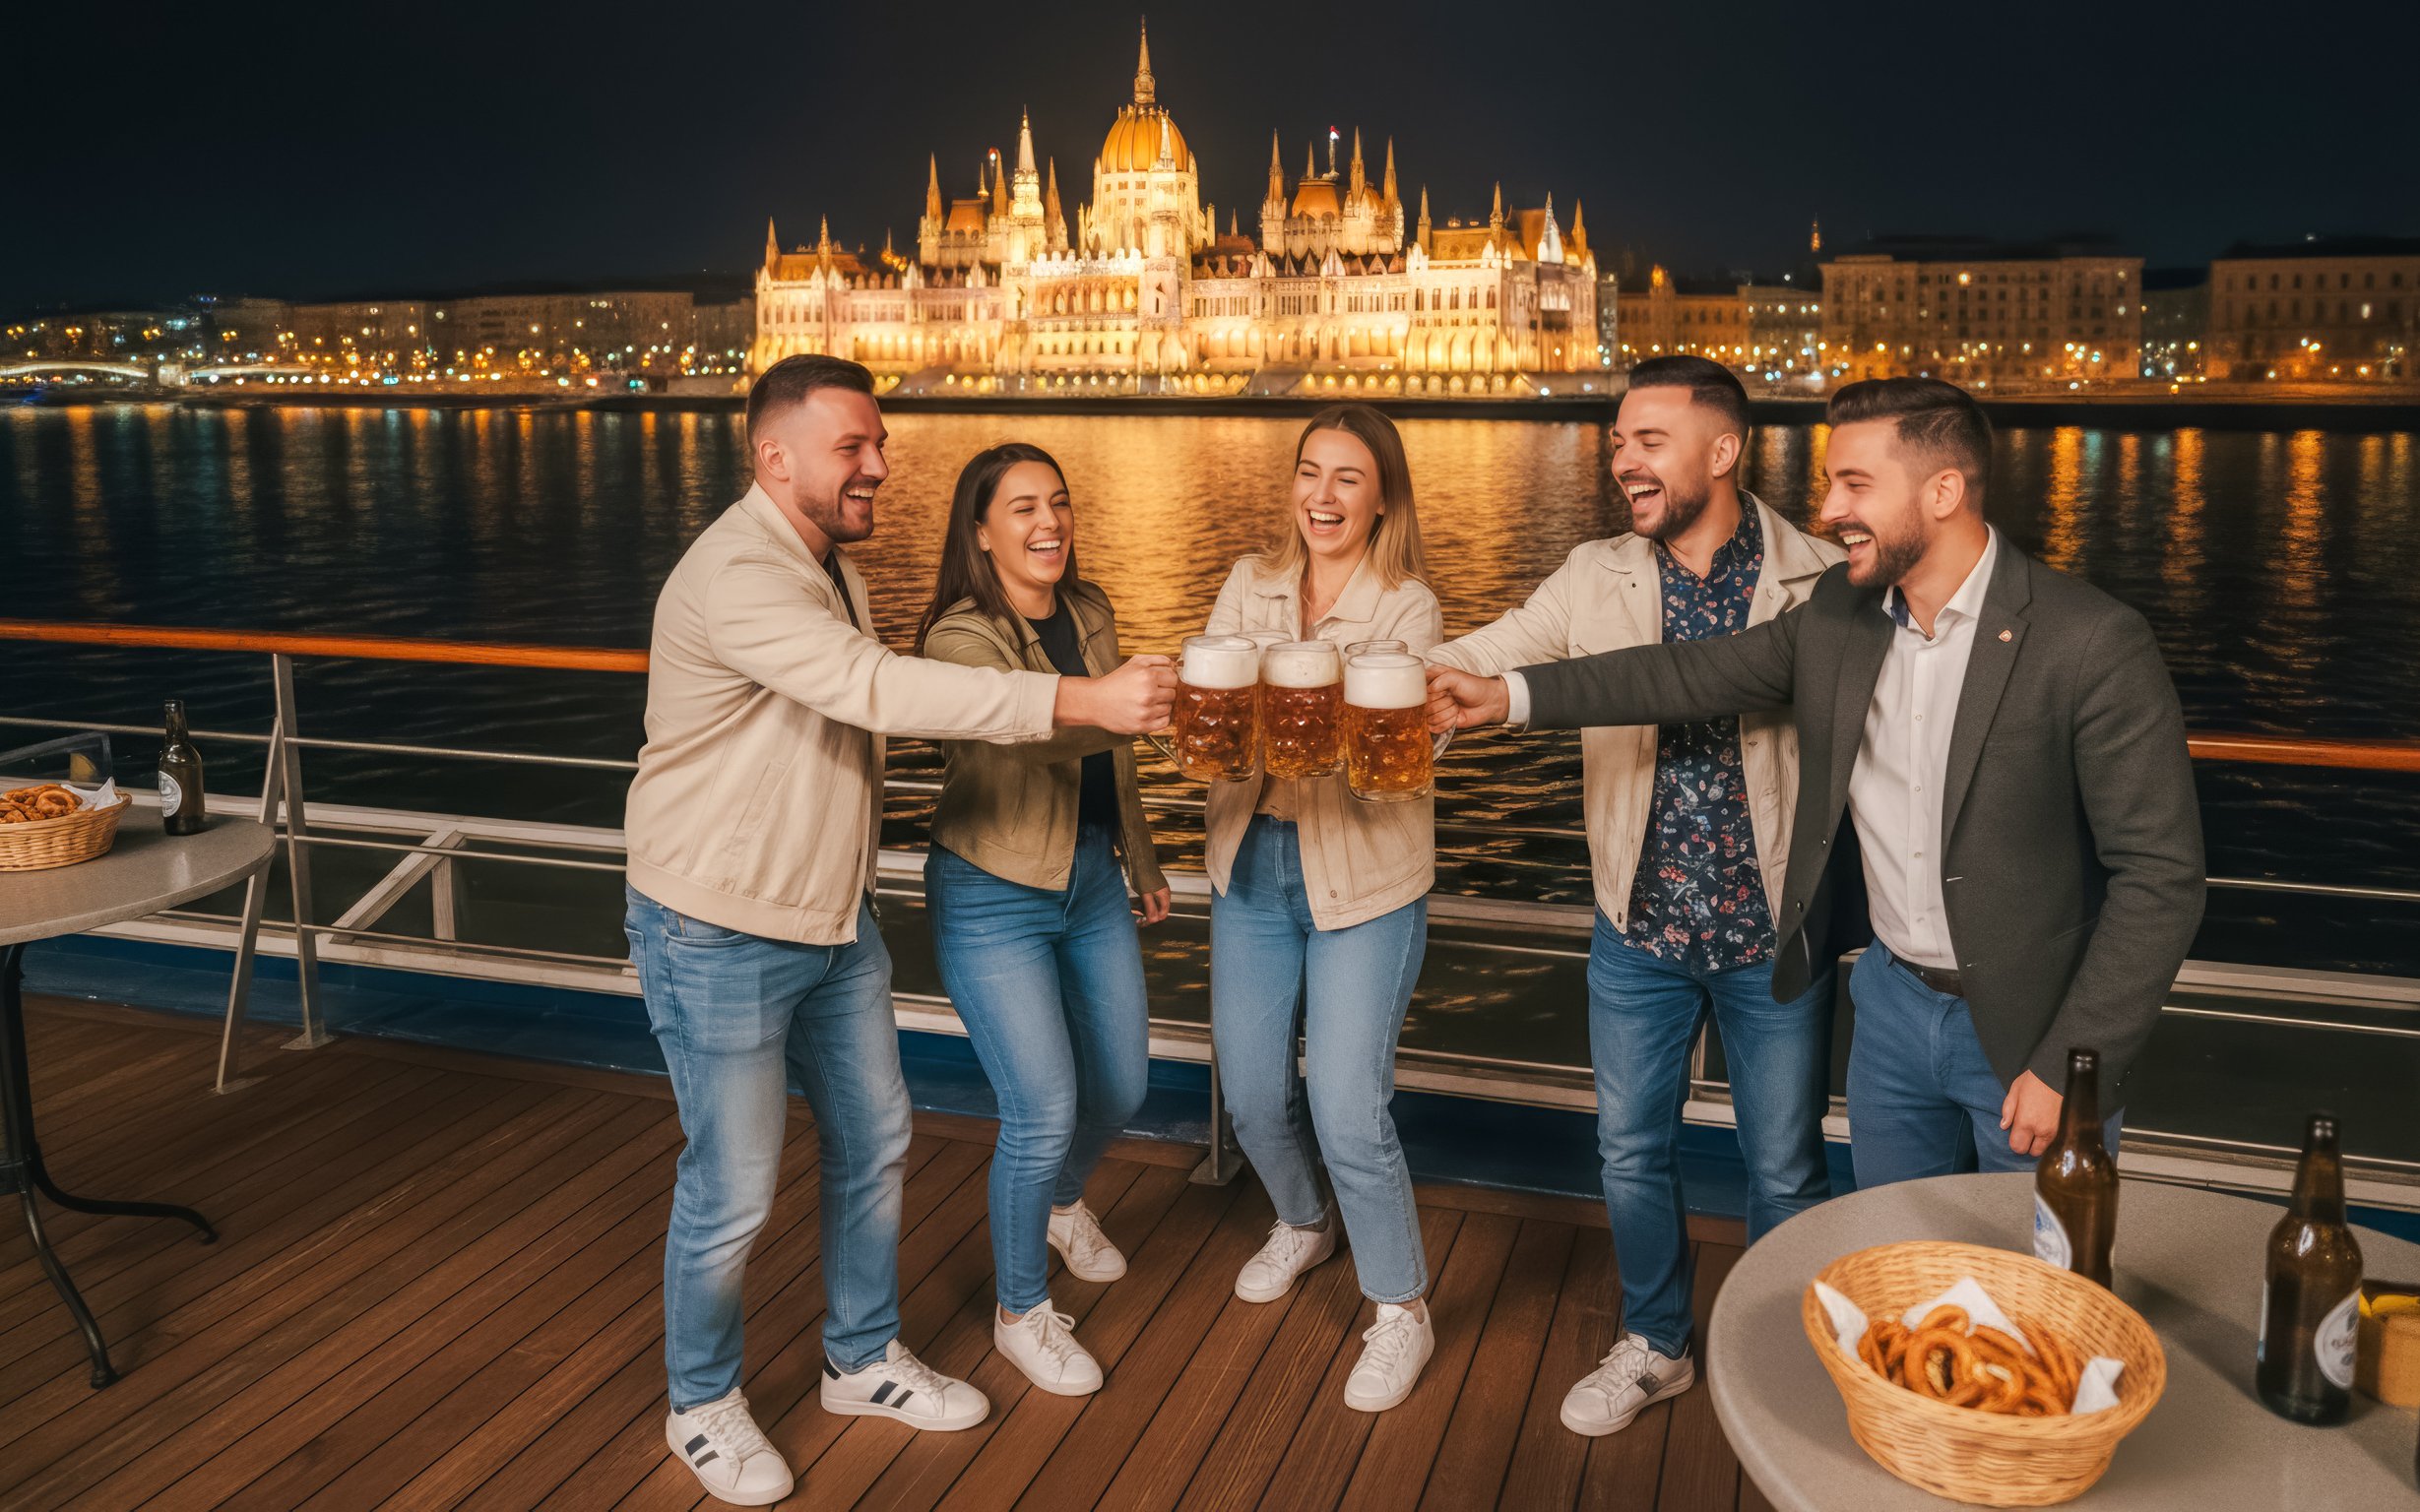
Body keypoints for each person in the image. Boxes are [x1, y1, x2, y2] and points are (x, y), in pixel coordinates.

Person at [622, 355, 1175, 1505]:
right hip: (717, 922)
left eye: (879, 443)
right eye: (851, 448)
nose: (879, 464)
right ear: (774, 457)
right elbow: (880, 691)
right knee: (731, 1187)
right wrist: (1083, 700)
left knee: (874, 1144)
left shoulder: (830, 568)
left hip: (829, 914)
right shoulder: (739, 574)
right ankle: (702, 1403)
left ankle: (860, 1357)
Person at [1431, 376, 2200, 1188]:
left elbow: (2162, 878)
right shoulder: (1841, 611)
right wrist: (1507, 696)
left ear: (1944, 492)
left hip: (2031, 1029)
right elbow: (1687, 675)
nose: (1829, 511)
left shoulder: (2091, 640)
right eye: (1833, 483)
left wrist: (2073, 1060)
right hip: (1892, 1013)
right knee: (1895, 1265)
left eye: (1855, 485)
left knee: (2039, 1291)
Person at [1426, 354, 1845, 1437]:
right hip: (1636, 926)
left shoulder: (1820, 579)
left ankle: (1773, 1353)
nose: (1622, 462)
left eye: (1646, 441)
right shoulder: (1593, 572)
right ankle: (1656, 1343)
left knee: (1785, 1168)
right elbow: (1492, 649)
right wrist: (1374, 676)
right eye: (1616, 442)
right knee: (1628, 1153)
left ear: (1723, 450)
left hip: (1770, 935)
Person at [914, 442, 1171, 1398]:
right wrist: (1121, 707)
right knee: (1040, 1107)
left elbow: (1115, 759)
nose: (1047, 523)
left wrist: (1139, 857)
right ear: (980, 532)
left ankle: (1065, 1203)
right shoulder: (955, 637)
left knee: (1123, 1083)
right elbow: (1024, 734)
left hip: (1091, 880)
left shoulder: (1089, 609)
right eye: (1020, 508)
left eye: (1057, 502)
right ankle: (1020, 1311)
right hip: (991, 891)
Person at [1203, 404, 1444, 1413]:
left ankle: (1400, 1309)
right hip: (1251, 864)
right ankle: (1303, 1221)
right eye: (1309, 472)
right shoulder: (1248, 581)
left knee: (1349, 1108)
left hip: (1365, 877)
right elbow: (1214, 714)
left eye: (1347, 477)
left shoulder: (1409, 605)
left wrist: (1284, 713)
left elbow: (1390, 748)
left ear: (1382, 494)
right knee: (1254, 1094)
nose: (1322, 496)